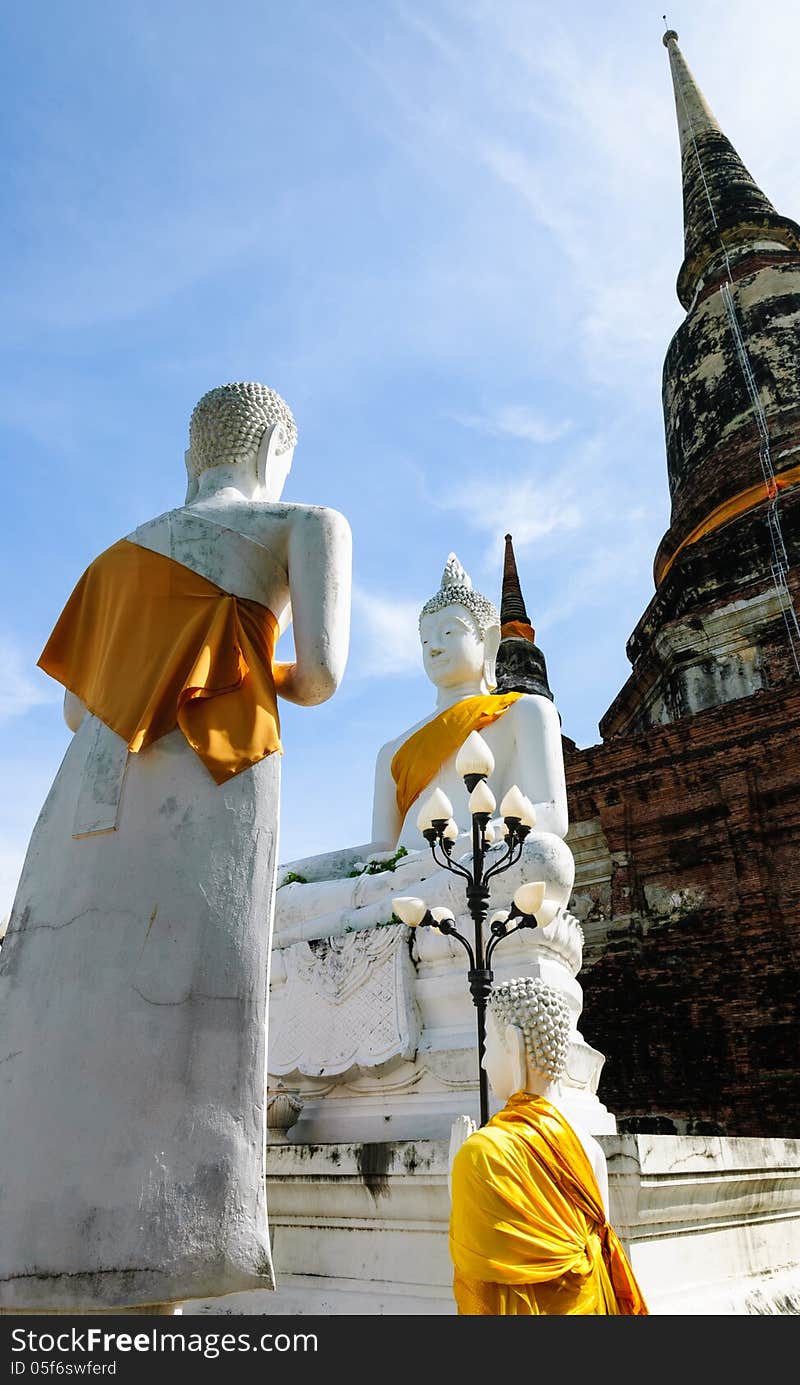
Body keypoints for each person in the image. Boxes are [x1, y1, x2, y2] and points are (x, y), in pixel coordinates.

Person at [0, 381, 352, 1313]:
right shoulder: (306, 521)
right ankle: (161, 1269)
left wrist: (163, 653)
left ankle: (38, 1260)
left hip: (85, 792)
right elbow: (316, 676)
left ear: (193, 454)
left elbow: (80, 707)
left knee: (63, 1019)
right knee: (180, 1028)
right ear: (277, 448)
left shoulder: (114, 555)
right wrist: (228, 660)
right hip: (206, 773)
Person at [271, 554, 575, 949]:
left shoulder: (525, 710)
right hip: (402, 876)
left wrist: (476, 841)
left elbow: (551, 815)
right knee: (276, 899)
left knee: (547, 857)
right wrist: (291, 872)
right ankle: (377, 912)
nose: (434, 647)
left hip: (473, 863)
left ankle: (371, 918)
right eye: (426, 638)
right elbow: (382, 850)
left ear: (489, 641)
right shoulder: (392, 750)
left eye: (449, 632)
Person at [448, 976, 649, 1315]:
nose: (483, 1062)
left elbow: (480, 1270)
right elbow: (598, 1251)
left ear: (513, 1044)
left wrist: (459, 1171)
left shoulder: (484, 1152)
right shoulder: (592, 1150)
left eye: (487, 1046)